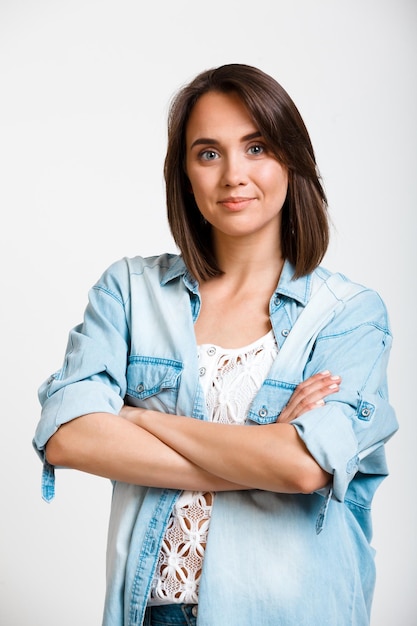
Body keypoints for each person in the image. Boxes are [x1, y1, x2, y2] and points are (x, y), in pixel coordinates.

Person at [33, 64, 398, 626]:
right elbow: (68, 436)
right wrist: (263, 452)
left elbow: (305, 468)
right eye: (208, 153)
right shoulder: (130, 291)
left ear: (290, 160)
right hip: (153, 613)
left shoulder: (348, 315)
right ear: (184, 173)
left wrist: (139, 419)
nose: (233, 174)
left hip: (290, 613)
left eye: (256, 147)